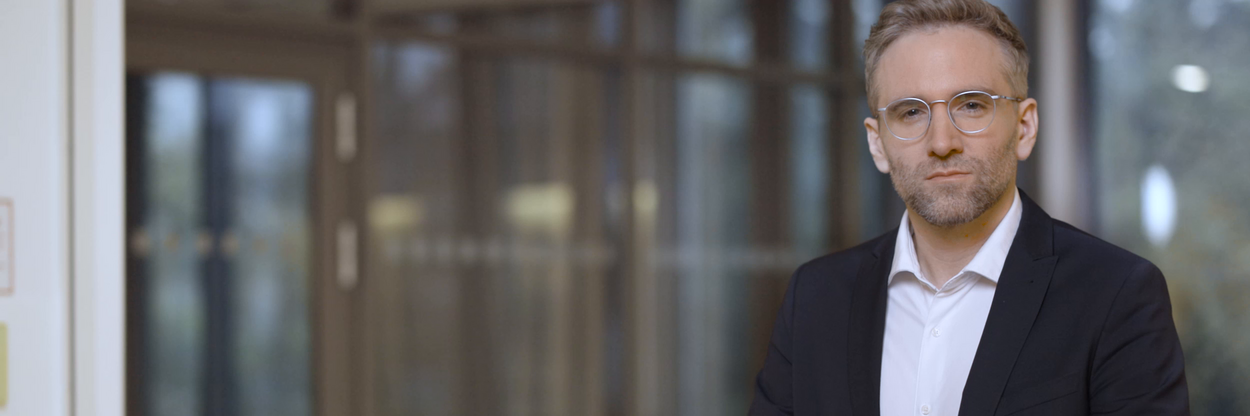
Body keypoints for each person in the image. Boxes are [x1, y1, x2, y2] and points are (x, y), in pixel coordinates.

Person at [748, 0, 1189, 415]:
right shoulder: (815, 297)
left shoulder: (1116, 294)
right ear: (877, 143)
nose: (942, 142)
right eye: (910, 112)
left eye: (972, 105)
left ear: (1024, 127)